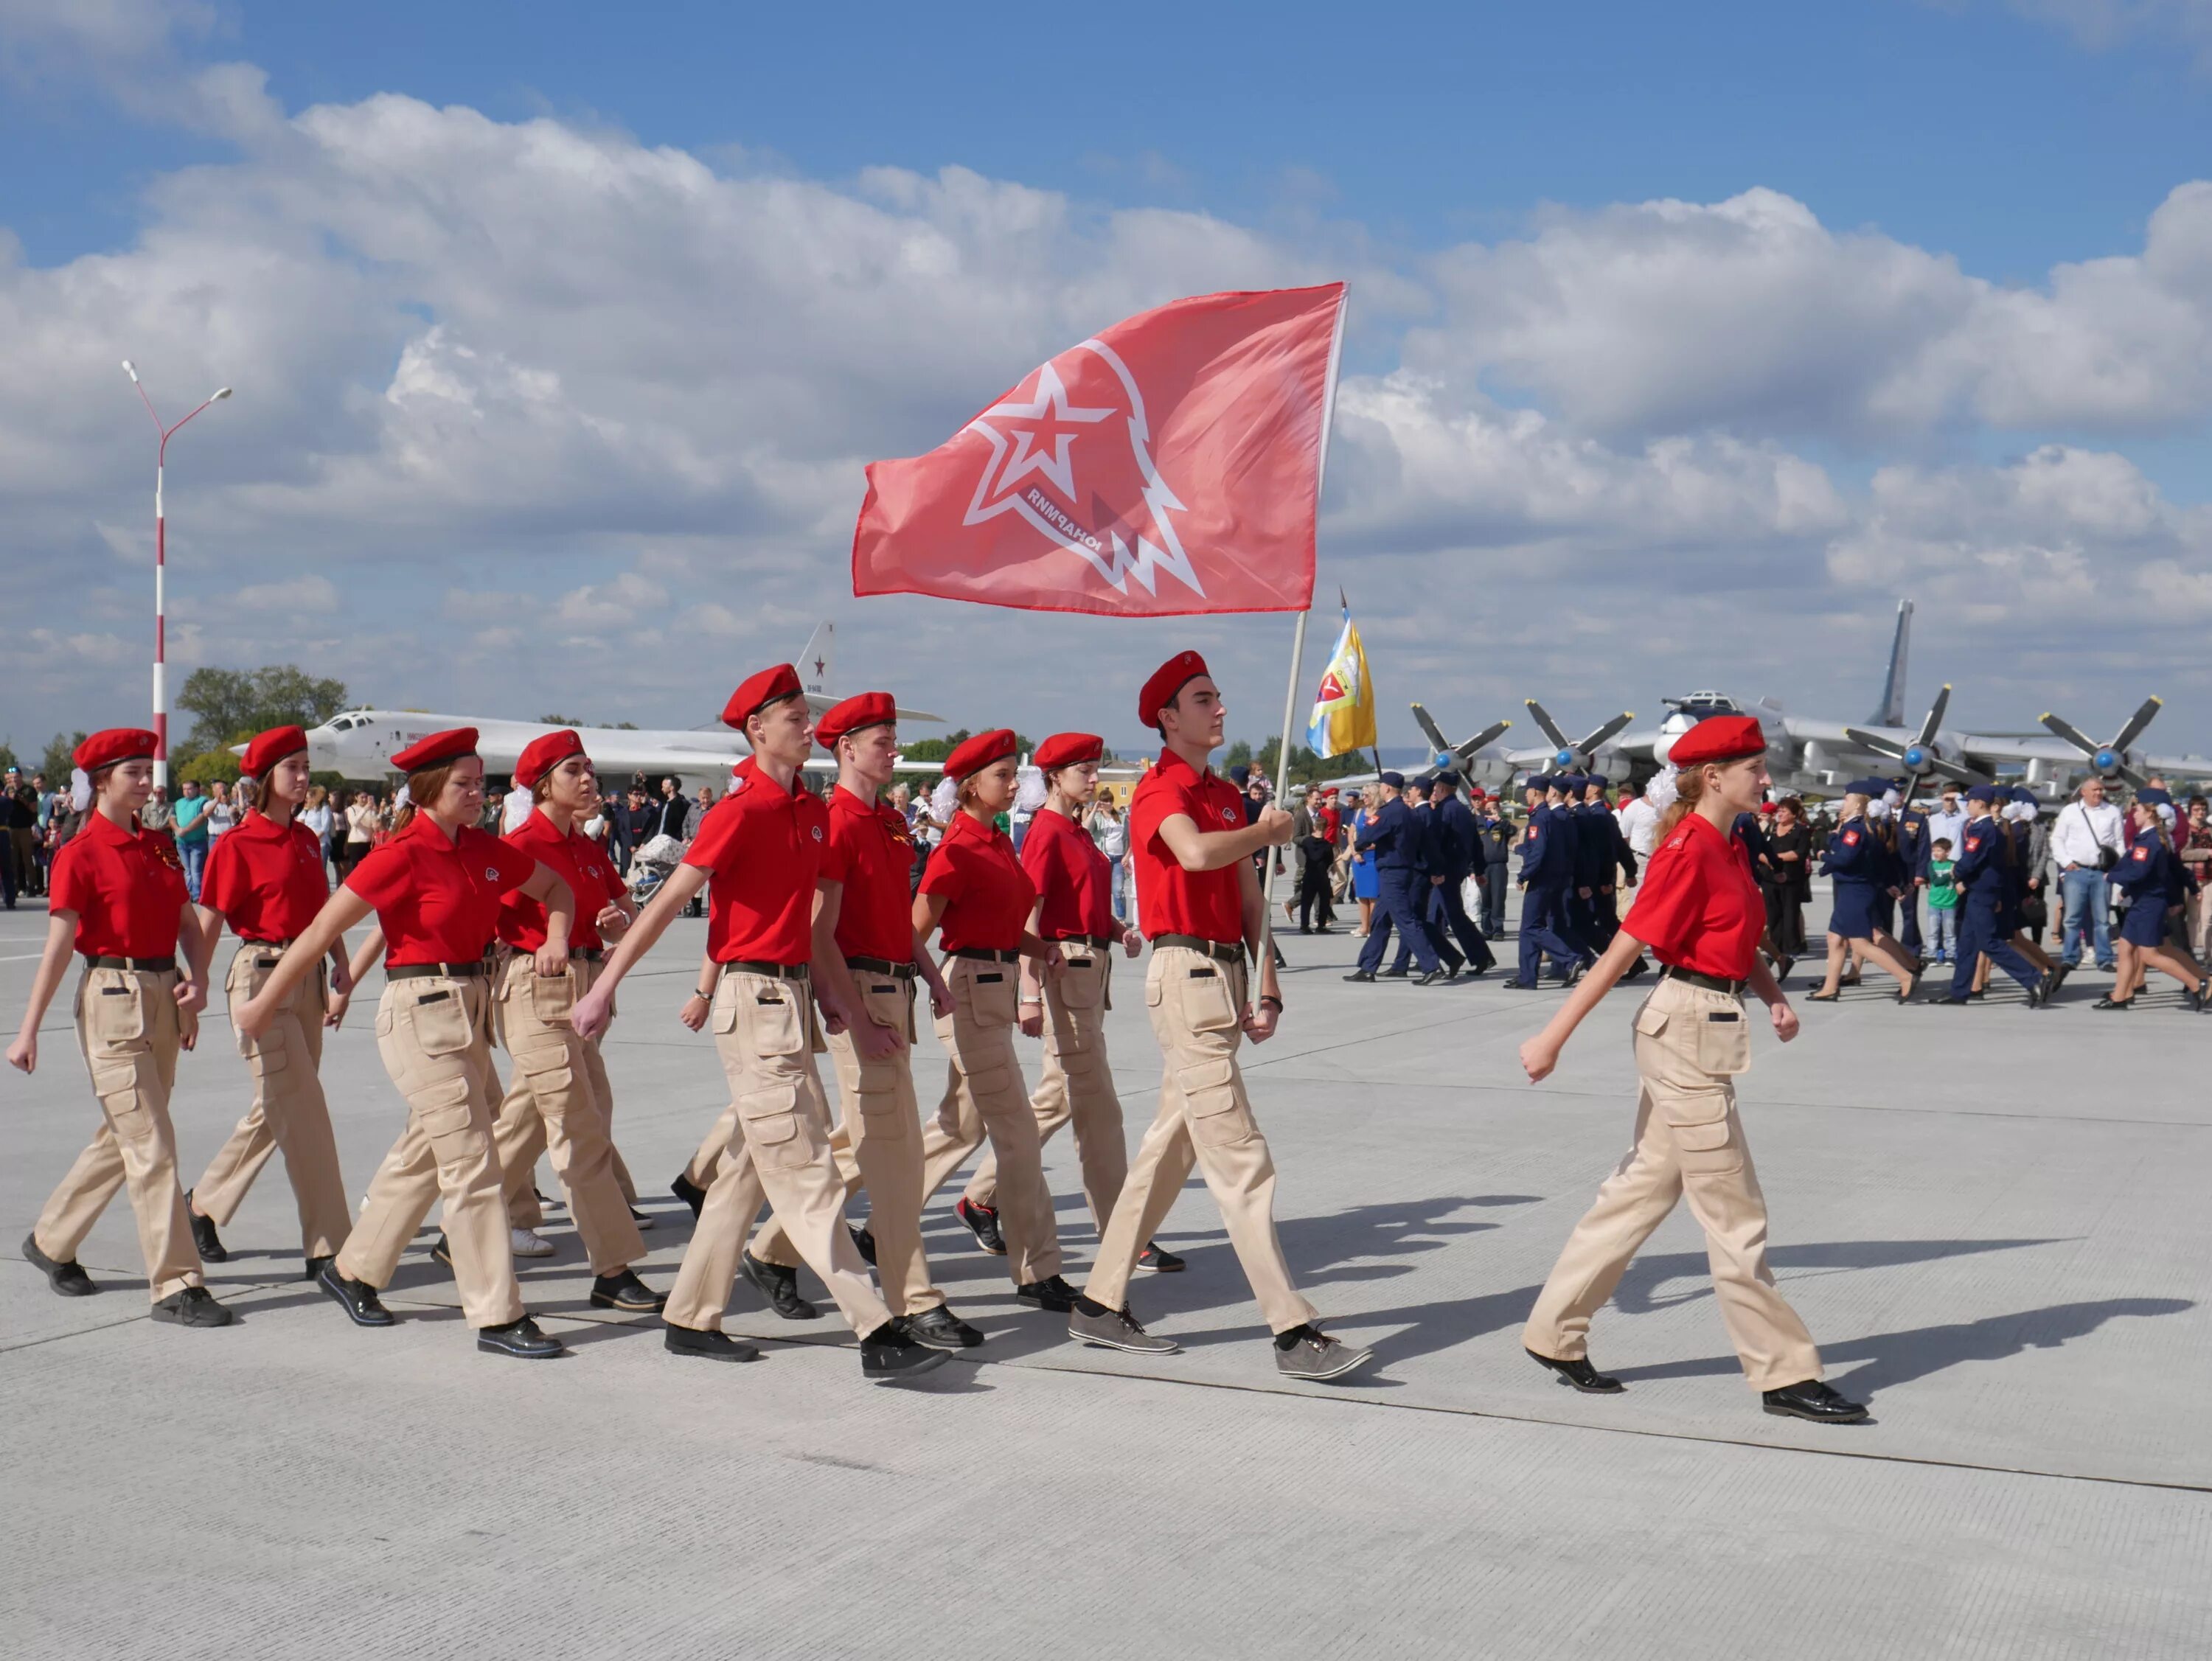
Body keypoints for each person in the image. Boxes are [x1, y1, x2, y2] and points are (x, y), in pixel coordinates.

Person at [570, 667, 943, 1378]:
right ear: (757, 731)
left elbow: (814, 930)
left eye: (809, 716)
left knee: (750, 1168)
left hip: (792, 1000)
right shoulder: (738, 811)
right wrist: (606, 985)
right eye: (796, 717)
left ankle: (689, 1314)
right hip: (753, 1002)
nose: (809, 727)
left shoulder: (808, 811)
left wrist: (845, 1010)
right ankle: (877, 1329)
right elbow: (668, 901)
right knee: (806, 1173)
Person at [1515, 717, 1865, 1425]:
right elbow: (1624, 948)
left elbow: (1735, 938)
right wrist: (1552, 1035)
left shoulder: (1727, 842)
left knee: (1641, 1191)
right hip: (1682, 1032)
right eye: (1756, 768)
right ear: (1715, 775)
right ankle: (1783, 1372)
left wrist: (1774, 1000)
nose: (1767, 779)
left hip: (1705, 1024)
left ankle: (1553, 1332)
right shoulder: (1686, 850)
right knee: (1736, 1212)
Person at [1067, 650, 1371, 1382]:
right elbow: (1196, 853)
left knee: (1169, 1152)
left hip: (1226, 975)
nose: (1220, 709)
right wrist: (1268, 834)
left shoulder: (1228, 794)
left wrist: (1266, 982)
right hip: (1185, 973)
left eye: (1219, 697)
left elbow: (1247, 901)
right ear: (1169, 717)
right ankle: (1293, 1330)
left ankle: (1100, 1303)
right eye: (1203, 700)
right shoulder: (1158, 791)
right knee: (1241, 1159)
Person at [233, 728, 577, 1359]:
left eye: (481, 782)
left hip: (470, 1012)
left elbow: (556, 889)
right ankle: (497, 1314)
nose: (479, 793)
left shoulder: (483, 849)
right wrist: (259, 1004)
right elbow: (319, 931)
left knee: (428, 1148)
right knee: (471, 1159)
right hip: (418, 1013)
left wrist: (557, 938)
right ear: (426, 791)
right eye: (464, 785)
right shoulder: (399, 854)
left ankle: (353, 1268)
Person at [740, 692, 984, 1352]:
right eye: (882, 739)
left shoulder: (888, 822)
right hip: (863, 994)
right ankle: (915, 1302)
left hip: (894, 989)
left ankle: (769, 1251)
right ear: (845, 748)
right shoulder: (837, 821)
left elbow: (894, 920)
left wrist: (931, 979)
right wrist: (850, 1012)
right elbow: (821, 933)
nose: (893, 748)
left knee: (871, 1143)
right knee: (895, 1157)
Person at [10, 730, 229, 1326]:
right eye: (133, 771)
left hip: (164, 994)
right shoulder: (79, 854)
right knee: (153, 1144)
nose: (146, 780)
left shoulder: (158, 845)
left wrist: (199, 982)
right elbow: (58, 947)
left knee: (125, 1134)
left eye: (147, 770)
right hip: (112, 996)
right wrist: (27, 1030)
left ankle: (51, 1241)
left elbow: (187, 923)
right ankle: (177, 1283)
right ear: (101, 780)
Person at [958, 732, 1183, 1277]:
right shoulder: (1046, 832)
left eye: (1095, 767)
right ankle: (1122, 1230)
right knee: (1098, 1111)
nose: (1093, 776)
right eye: (1083, 769)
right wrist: (1028, 993)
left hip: (1088, 969)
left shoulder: (1077, 832)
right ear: (1054, 776)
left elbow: (1082, 902)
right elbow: (1029, 913)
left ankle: (983, 1197)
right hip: (1061, 972)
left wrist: (1118, 927)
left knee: (1066, 1101)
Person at [483, 728, 664, 1311]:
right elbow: (490, 922)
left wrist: (617, 924)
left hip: (587, 990)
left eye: (589, 770)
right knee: (578, 1122)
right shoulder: (520, 844)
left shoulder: (586, 846)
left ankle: (465, 1217)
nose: (588, 780)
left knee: (538, 1114)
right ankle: (612, 1267)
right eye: (573, 772)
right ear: (542, 785)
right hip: (539, 992)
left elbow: (627, 913)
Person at [906, 728, 1079, 1309]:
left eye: (1014, 773)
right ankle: (1038, 1269)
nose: (1013, 783)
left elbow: (1003, 923)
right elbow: (913, 933)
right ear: (971, 786)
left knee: (957, 1127)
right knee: (1019, 1134)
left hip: (992, 991)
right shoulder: (956, 848)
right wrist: (929, 985)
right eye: (1002, 775)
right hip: (969, 995)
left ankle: (876, 1229)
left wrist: (1040, 949)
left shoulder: (998, 842)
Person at [180, 725, 355, 1278]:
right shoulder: (237, 843)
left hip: (308, 976)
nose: (304, 778)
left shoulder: (306, 839)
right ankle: (327, 1246)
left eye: (306, 767)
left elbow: (323, 912)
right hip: (259, 978)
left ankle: (201, 1206)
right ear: (263, 781)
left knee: (279, 1105)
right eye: (292, 769)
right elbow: (209, 920)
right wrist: (197, 985)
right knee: (298, 1107)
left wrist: (343, 964)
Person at [1930, 785, 2047, 1009]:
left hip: (1981, 892)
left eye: (1970, 803)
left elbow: (1971, 859)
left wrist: (1957, 871)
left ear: (1980, 804)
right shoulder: (1991, 828)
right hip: (1983, 890)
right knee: (1967, 944)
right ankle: (1959, 991)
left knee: (1989, 942)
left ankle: (2034, 978)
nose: (1968, 806)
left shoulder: (1982, 830)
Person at [1809, 786, 1919, 1002]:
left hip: (1854, 891)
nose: (1843, 802)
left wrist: (1823, 857)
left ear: (1858, 804)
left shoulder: (1855, 829)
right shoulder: (1857, 827)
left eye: (1847, 798)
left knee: (1859, 942)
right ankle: (1830, 987)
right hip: (1854, 889)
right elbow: (1873, 859)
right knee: (1835, 939)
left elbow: (1844, 859)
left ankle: (1905, 977)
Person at [2101, 791, 2207, 1011]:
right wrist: (2126, 886)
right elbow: (2142, 870)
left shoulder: (2149, 842)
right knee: (2125, 947)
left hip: (2149, 904)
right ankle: (2120, 996)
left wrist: (2112, 876)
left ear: (2150, 813)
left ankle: (2198, 985)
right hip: (2142, 901)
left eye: (2137, 809)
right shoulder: (2147, 838)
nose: (2133, 813)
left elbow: (2139, 871)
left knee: (2151, 954)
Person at [1344, 773, 1448, 983]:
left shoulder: (1390, 812)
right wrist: (1437, 869)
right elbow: (1427, 845)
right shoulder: (1410, 813)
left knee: (1405, 921)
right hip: (1404, 871)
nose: (1380, 790)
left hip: (1392, 872)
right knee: (1380, 920)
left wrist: (1359, 847)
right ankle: (1368, 967)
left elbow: (1369, 835)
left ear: (1388, 789)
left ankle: (1431, 965)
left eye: (1382, 786)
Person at [1503, 776, 1588, 989]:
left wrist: (1524, 874)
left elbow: (1538, 852)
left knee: (1532, 926)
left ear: (1535, 792)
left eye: (1527, 790)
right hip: (1554, 878)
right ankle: (1527, 976)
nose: (1525, 794)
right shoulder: (1551, 816)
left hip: (1541, 879)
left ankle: (1571, 958)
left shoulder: (1540, 818)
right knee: (1530, 927)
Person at [2050, 776, 2124, 982]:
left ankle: (2105, 958)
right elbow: (2057, 839)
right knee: (2072, 918)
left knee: (2102, 919)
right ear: (2083, 792)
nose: (2098, 793)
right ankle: (2070, 957)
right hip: (2077, 871)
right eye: (2094, 790)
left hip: (2102, 872)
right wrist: (2065, 863)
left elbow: (2119, 842)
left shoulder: (2112, 812)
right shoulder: (2070, 812)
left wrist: (2114, 867)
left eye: (2101, 790)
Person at [1425, 773, 1495, 973]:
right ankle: (1477, 957)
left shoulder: (1445, 811)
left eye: (1436, 787)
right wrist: (1479, 869)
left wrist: (1434, 869)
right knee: (1447, 915)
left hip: (1445, 871)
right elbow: (1476, 844)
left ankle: (1444, 959)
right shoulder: (1463, 811)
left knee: (1444, 917)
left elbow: (1438, 843)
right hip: (1457, 870)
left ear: (1442, 788)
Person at [2180, 795, 2212, 966]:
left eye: (2203, 809)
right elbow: (2184, 854)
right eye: (2197, 809)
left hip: (2210, 877)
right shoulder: (2186, 829)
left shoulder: (2209, 829)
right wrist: (2206, 853)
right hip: (2193, 878)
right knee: (2193, 917)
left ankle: (2209, 954)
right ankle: (2191, 951)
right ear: (2191, 810)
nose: (2201, 813)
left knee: (2208, 918)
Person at [1346, 789, 1380, 935]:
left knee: (1373, 894)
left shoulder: (1380, 812)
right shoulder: (1359, 812)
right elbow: (1351, 833)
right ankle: (1364, 926)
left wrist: (1364, 850)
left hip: (1373, 856)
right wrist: (1354, 852)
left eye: (1367, 795)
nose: (1364, 798)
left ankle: (1373, 926)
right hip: (1359, 858)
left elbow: (1381, 837)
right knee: (1362, 894)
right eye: (1364, 795)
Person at [173, 778, 211, 899]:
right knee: (186, 870)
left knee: (196, 871)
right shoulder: (178, 802)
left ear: (197, 790)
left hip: (197, 843)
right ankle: (188, 895)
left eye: (190, 789)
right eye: (184, 789)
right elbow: (172, 817)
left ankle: (198, 895)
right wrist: (177, 829)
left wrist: (186, 830)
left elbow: (201, 818)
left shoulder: (203, 801)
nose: (187, 791)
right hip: (181, 843)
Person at [1924, 839, 1960, 964]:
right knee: (1933, 931)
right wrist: (1949, 875)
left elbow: (1959, 880)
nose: (1936, 853)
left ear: (1948, 852)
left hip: (1950, 904)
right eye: (1934, 850)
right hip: (1934, 903)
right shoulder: (1931, 865)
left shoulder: (1954, 865)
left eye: (1939, 850)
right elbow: (1936, 881)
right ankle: (1931, 955)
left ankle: (1950, 954)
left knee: (1949, 932)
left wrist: (1953, 874)